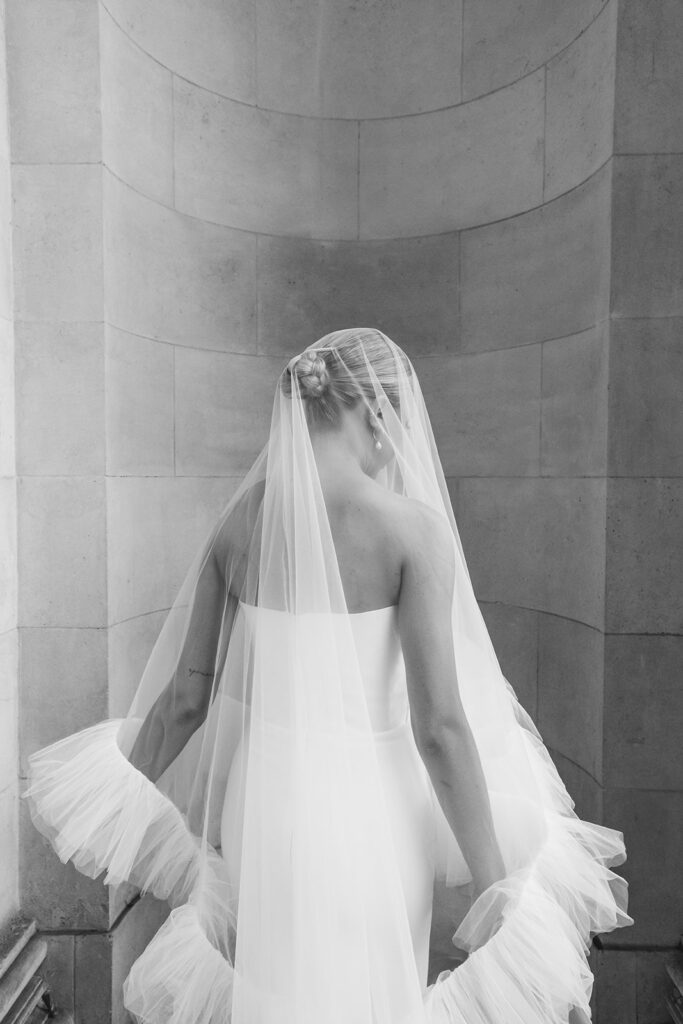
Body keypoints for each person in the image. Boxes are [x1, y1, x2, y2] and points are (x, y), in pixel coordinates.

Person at [23, 328, 633, 1024]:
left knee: (276, 992)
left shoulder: (239, 525)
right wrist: (497, 894)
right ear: (374, 409)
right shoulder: (410, 531)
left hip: (266, 807)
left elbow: (185, 702)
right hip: (373, 809)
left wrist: (111, 807)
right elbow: (437, 729)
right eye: (397, 420)